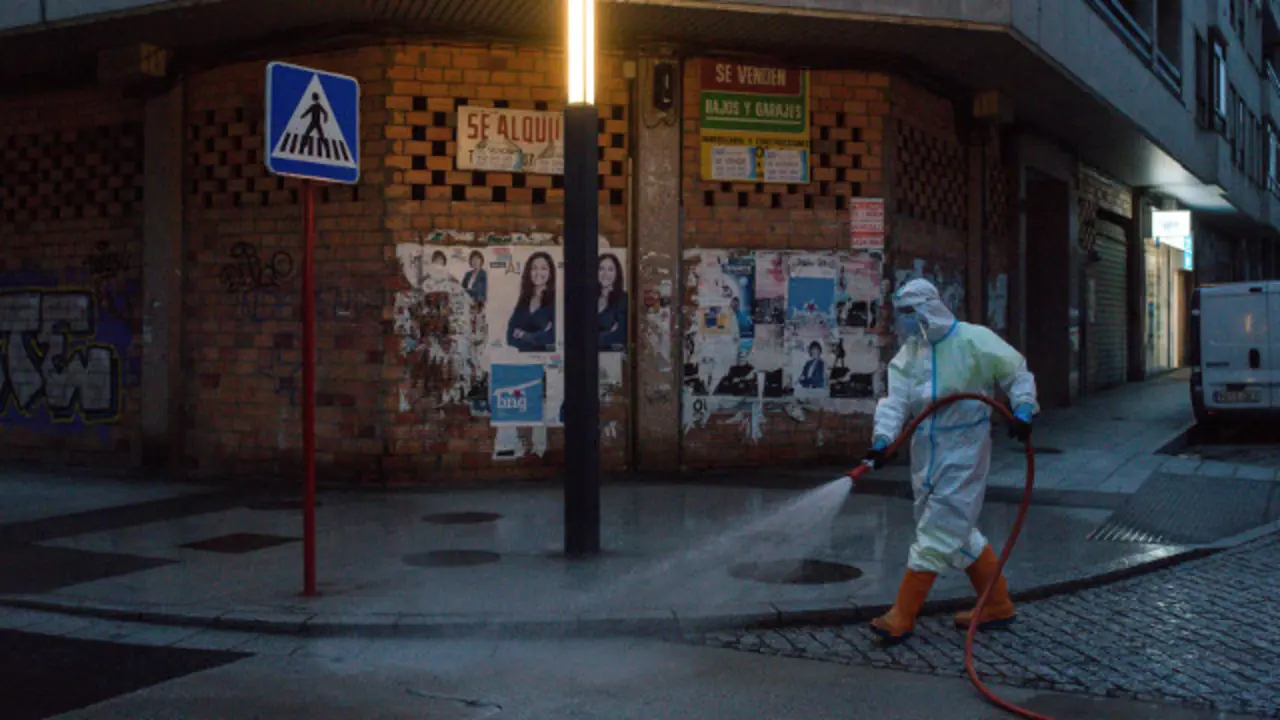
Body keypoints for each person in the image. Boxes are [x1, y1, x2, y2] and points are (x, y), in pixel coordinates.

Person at [863, 278, 1037, 645]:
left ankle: (902, 615)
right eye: (902, 315)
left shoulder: (973, 340)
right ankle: (997, 604)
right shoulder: (911, 355)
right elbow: (894, 401)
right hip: (926, 453)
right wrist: (882, 439)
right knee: (953, 529)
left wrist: (1022, 409)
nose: (905, 322)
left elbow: (1015, 372)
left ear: (929, 308)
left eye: (910, 313)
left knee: (938, 529)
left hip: (964, 451)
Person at [506, 252, 556, 352]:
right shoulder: (524, 299)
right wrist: (539, 335)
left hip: (545, 361)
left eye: (544, 268)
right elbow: (510, 337)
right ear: (529, 272)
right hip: (524, 361)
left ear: (550, 273)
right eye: (534, 268)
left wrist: (524, 335)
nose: (538, 272)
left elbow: (553, 336)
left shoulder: (556, 300)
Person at [597, 253, 627, 351]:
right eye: (601, 268)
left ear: (617, 273)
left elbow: (619, 337)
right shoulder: (587, 298)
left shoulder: (623, 299)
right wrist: (607, 333)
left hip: (612, 359)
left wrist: (592, 338)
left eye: (610, 269)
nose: (605, 274)